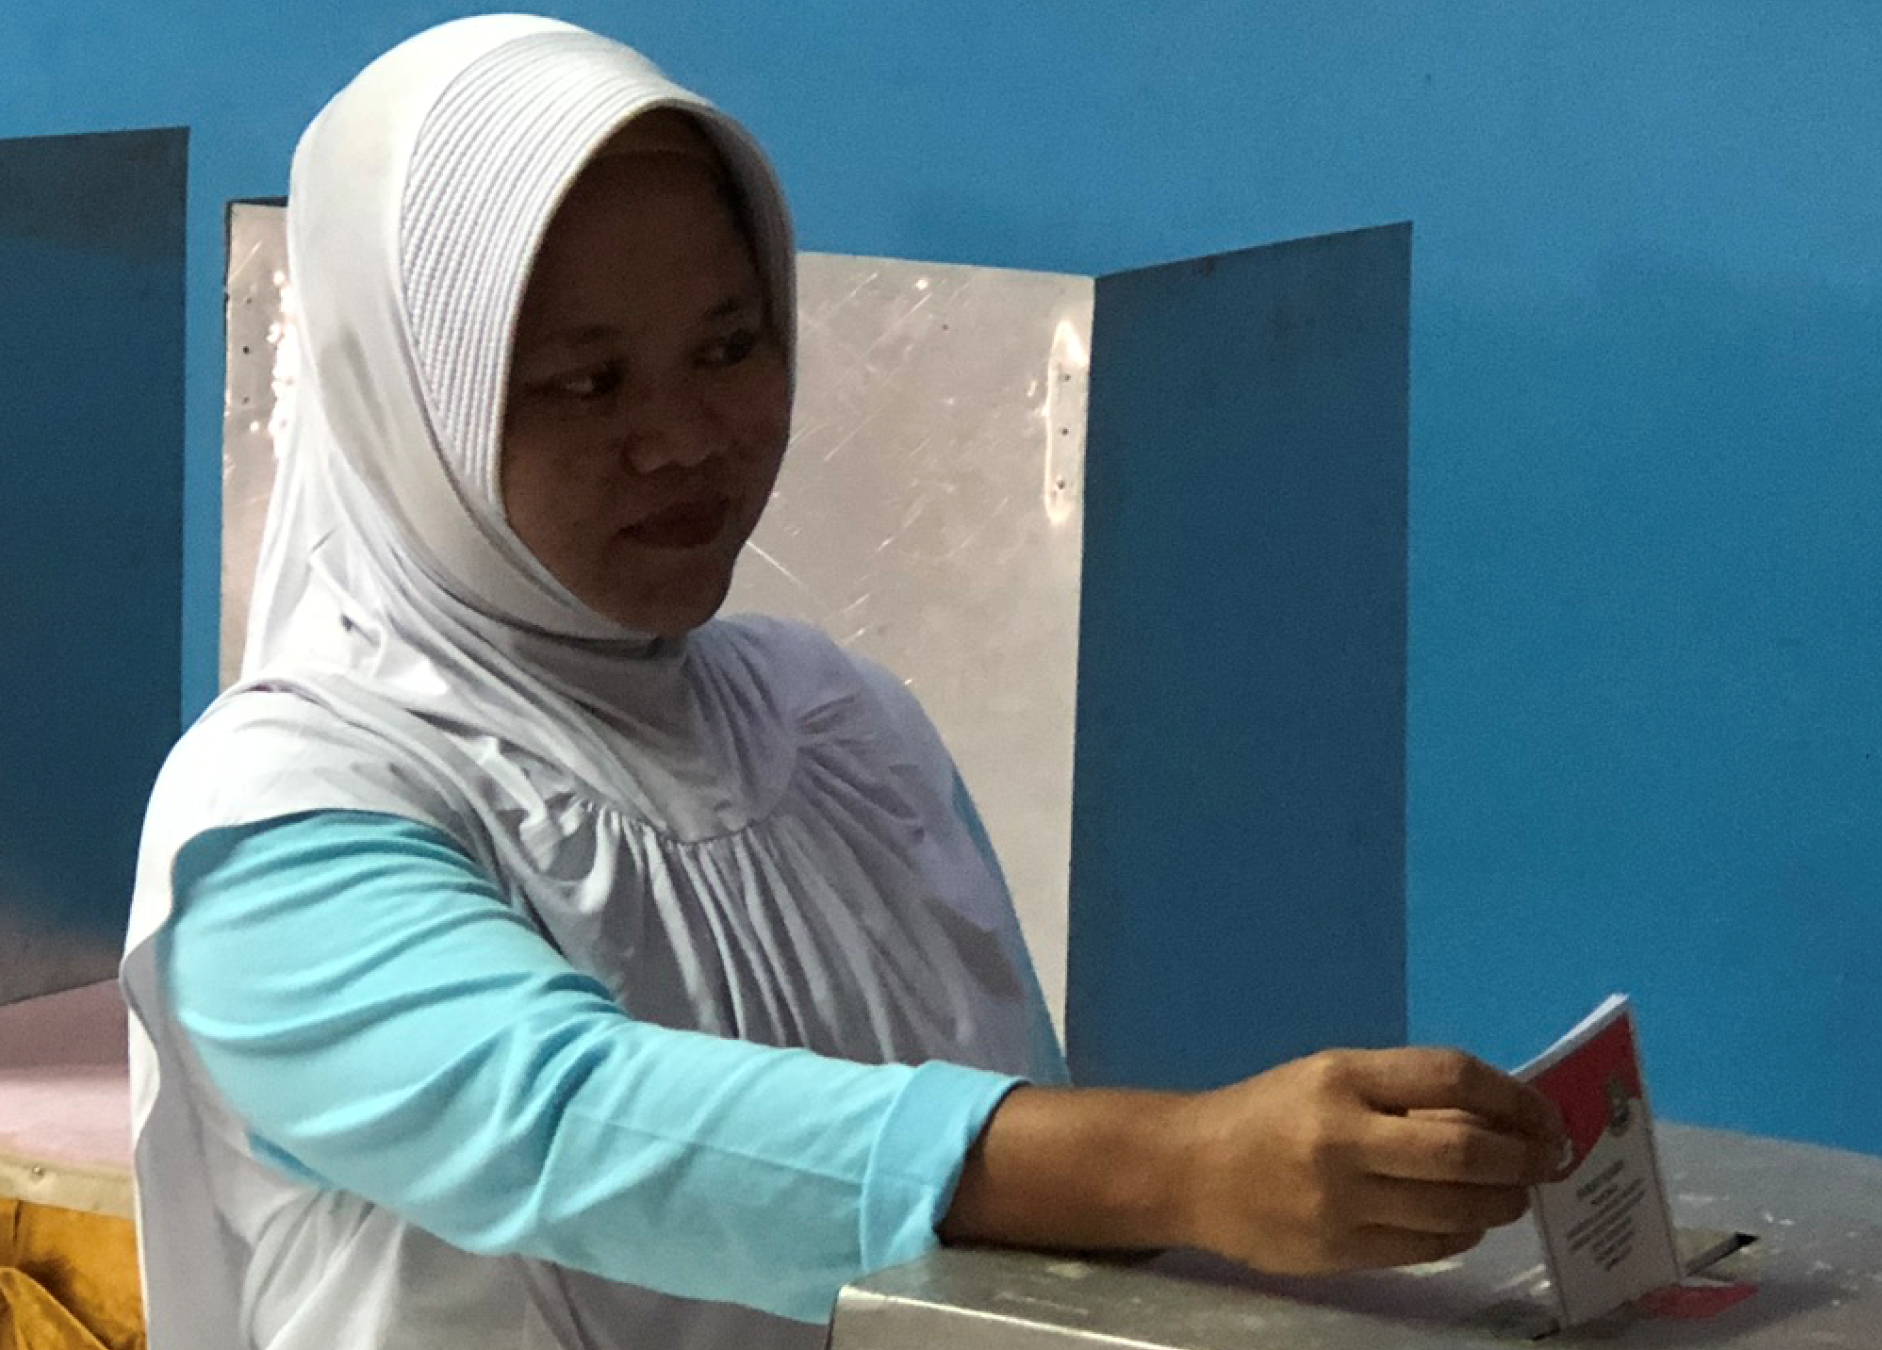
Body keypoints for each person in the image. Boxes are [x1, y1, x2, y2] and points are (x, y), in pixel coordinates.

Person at [120, 15, 1565, 1350]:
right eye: (583, 379)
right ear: (408, 402)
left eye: (729, 345)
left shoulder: (833, 728)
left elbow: (1017, 1210)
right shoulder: (285, 809)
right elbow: (569, 1121)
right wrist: (1179, 1163)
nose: (683, 435)